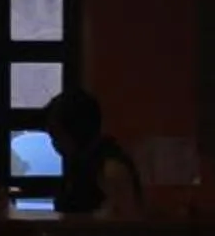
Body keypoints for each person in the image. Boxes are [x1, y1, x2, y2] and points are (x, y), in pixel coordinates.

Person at [41, 89, 143, 217]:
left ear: (76, 131)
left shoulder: (111, 170)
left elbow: (125, 225)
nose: (54, 143)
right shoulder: (78, 165)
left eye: (56, 135)